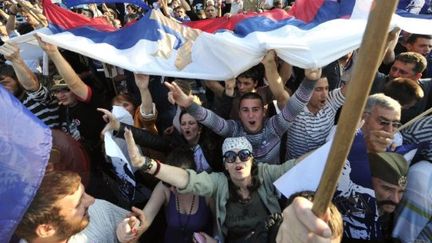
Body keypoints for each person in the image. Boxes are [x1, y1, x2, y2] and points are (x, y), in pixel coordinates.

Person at [123, 129, 303, 242]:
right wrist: (146, 163)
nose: (237, 160)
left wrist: (329, 152)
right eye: (231, 157)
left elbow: (296, 166)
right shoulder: (219, 182)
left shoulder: (265, 173)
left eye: (244, 155)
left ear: (252, 159)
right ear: (225, 164)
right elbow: (187, 179)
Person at [164, 54, 320, 164]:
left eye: (255, 109)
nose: (251, 114)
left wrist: (310, 82)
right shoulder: (233, 130)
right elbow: (212, 120)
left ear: (264, 111)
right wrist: (188, 105)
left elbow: (293, 107)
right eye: (245, 110)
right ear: (239, 114)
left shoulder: (274, 126)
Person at [117, 146, 213, 243]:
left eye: (177, 185)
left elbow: (219, 230)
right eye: (167, 182)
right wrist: (133, 228)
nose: (171, 188)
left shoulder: (206, 192)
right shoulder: (163, 188)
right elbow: (145, 218)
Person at [14, 171, 130, 243]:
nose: (92, 200)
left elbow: (136, 229)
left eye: (84, 193)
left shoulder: (96, 210)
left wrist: (132, 237)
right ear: (46, 229)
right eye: (79, 203)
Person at [0, 42, 60, 128]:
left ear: (17, 79)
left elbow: (31, 86)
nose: (2, 89)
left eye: (4, 83)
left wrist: (15, 59)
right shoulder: (7, 108)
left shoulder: (37, 98)